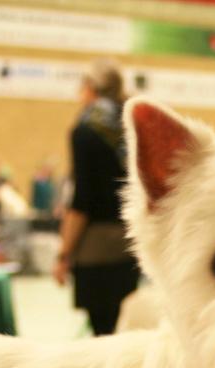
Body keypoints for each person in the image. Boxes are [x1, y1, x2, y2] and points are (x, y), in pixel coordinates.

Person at [53, 59, 140, 336]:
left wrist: (64, 253)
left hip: (96, 245)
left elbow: (82, 201)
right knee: (121, 328)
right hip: (130, 241)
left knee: (102, 331)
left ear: (91, 88)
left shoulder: (86, 130)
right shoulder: (129, 126)